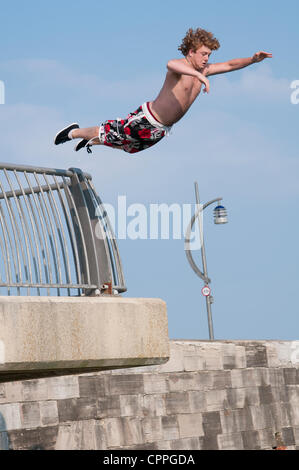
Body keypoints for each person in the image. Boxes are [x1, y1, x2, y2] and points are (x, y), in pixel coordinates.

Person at [54, 28, 272, 154]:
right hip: (148, 118)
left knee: (130, 149)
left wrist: (253, 60)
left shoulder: (205, 69)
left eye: (209, 56)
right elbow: (169, 64)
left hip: (162, 128)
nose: (207, 59)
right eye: (203, 54)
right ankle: (74, 132)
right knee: (114, 131)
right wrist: (198, 76)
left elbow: (231, 65)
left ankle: (93, 140)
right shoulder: (181, 66)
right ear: (191, 52)